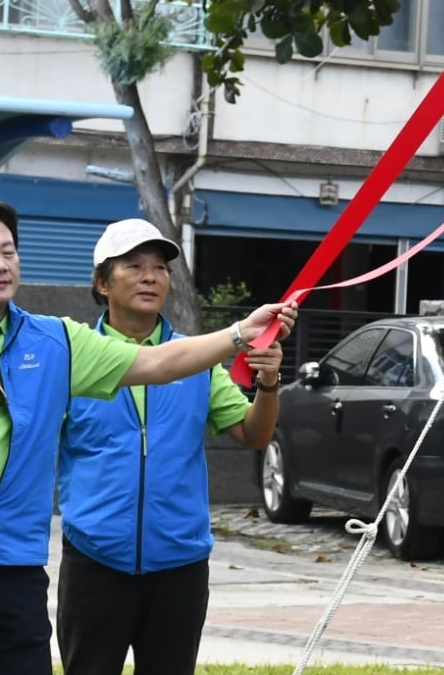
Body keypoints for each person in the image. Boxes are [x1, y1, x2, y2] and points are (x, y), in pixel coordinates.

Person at [0, 200, 296, 675]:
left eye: (9, 251)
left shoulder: (58, 343)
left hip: (17, 564)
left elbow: (157, 363)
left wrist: (241, 332)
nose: (0, 264)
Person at [56, 219, 286, 675]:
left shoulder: (197, 358)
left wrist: (269, 381)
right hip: (95, 561)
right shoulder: (73, 357)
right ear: (102, 282)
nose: (150, 277)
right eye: (134, 266)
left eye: (160, 267)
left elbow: (253, 435)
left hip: (180, 564)